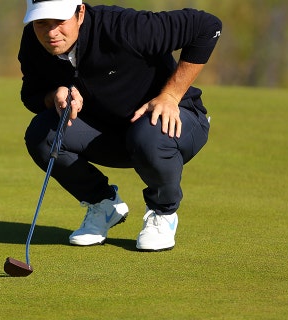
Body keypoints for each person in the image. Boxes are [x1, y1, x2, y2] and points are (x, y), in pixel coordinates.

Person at [19, 0, 222, 251]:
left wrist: (171, 95)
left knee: (148, 136)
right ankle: (103, 205)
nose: (51, 33)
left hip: (172, 126)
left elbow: (207, 26)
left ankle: (163, 212)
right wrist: (57, 94)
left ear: (80, 13)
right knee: (43, 134)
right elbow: (32, 95)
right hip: (110, 134)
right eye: (41, 23)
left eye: (60, 22)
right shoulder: (33, 41)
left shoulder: (123, 27)